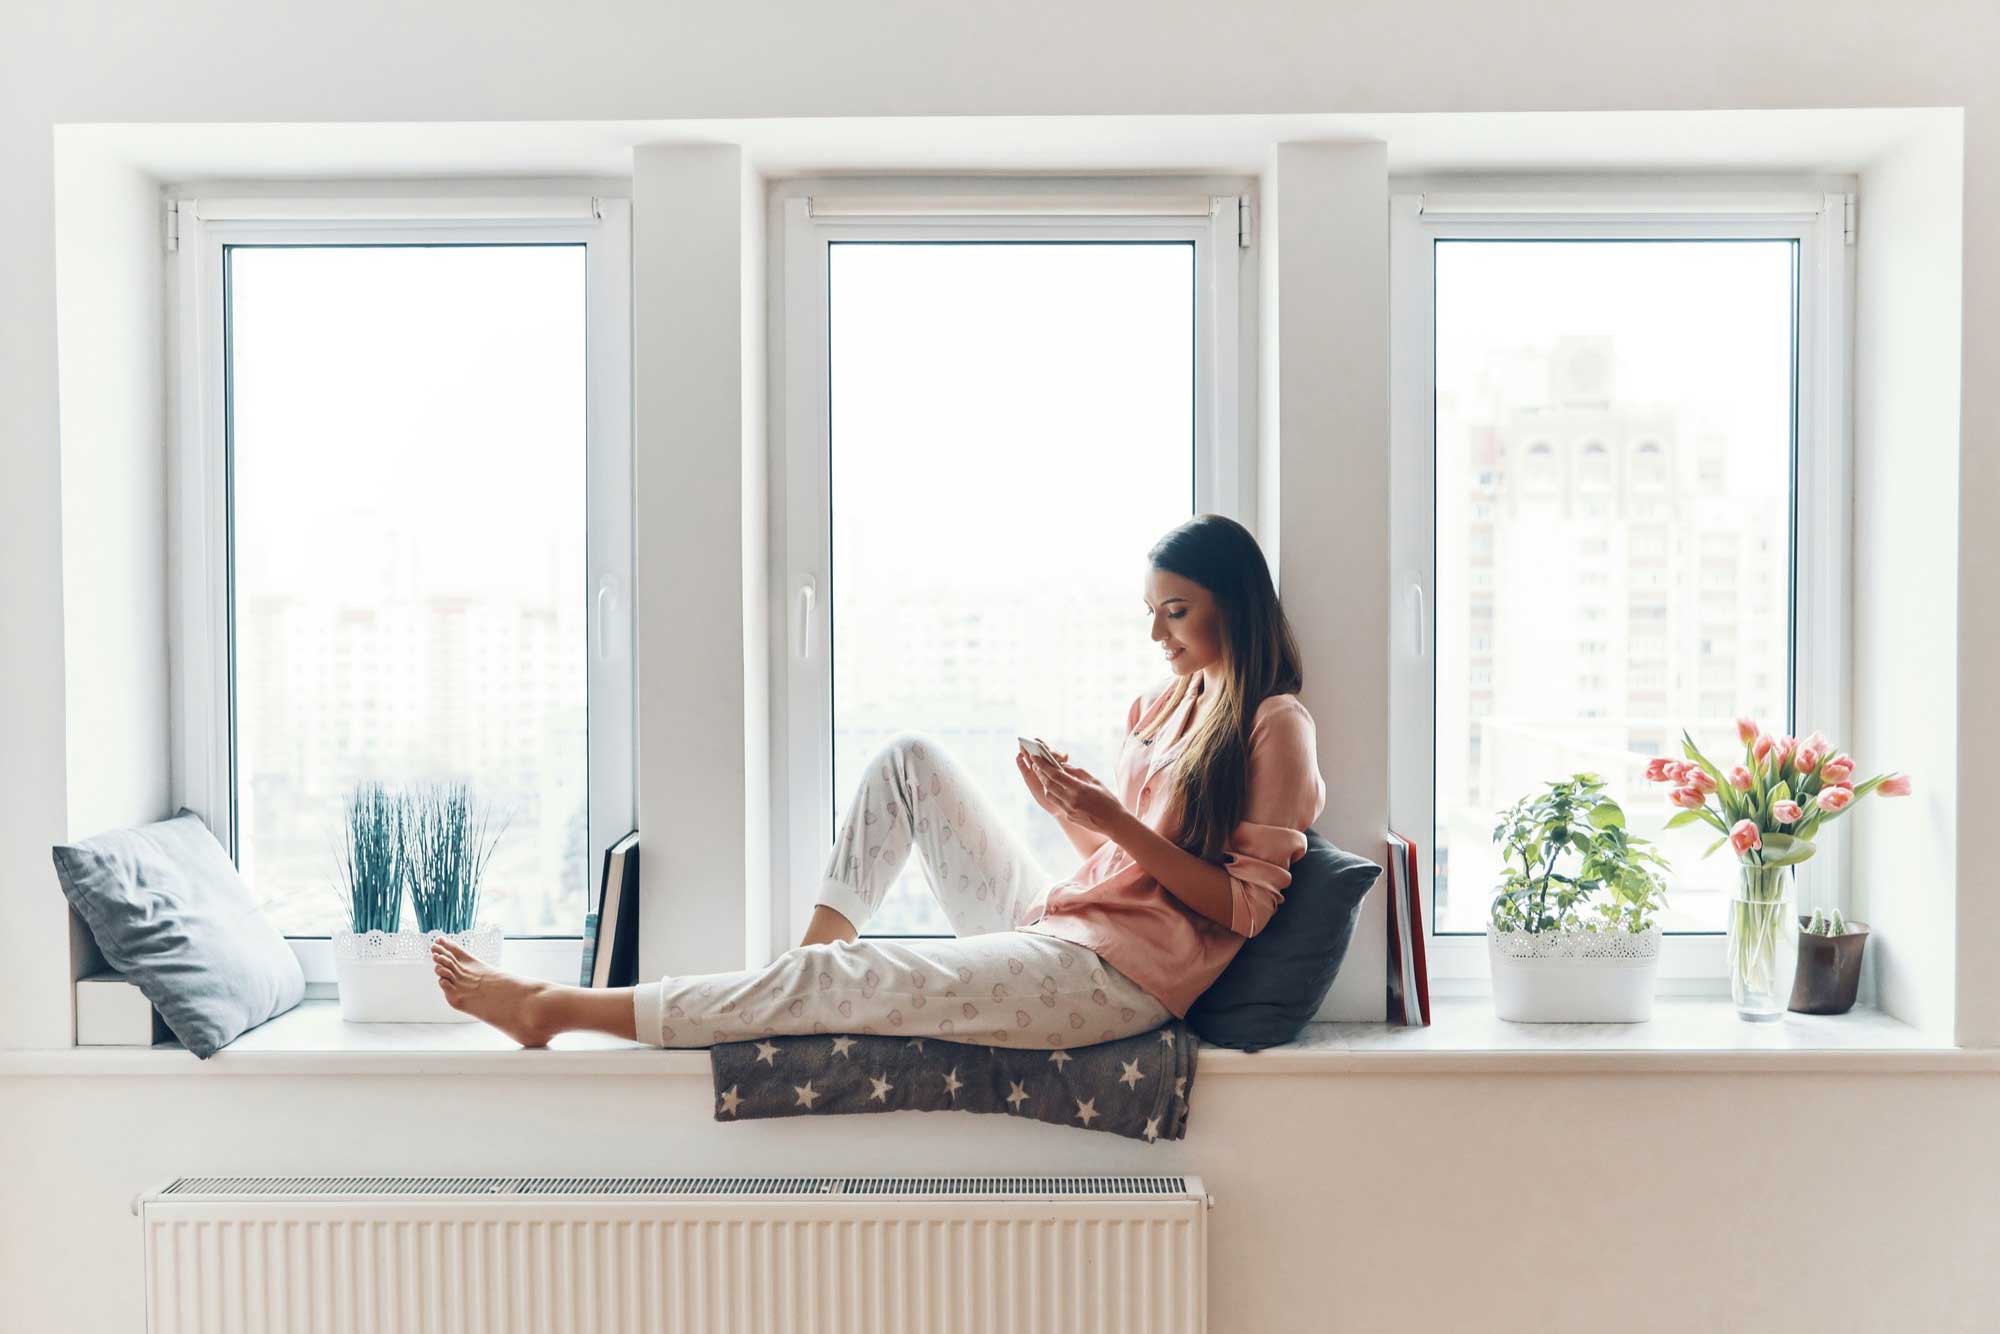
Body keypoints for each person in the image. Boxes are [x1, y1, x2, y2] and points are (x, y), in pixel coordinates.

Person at [432, 513, 1327, 1049]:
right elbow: (1121, 869)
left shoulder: (1274, 725)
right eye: (1152, 614)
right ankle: (807, 964)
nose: (1160, 634)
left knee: (850, 984)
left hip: (1123, 981)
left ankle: (554, 1007)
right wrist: (1070, 811)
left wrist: (1115, 824)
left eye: (1177, 611)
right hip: (1072, 920)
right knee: (909, 762)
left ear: (1233, 603)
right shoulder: (1163, 706)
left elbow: (1241, 910)